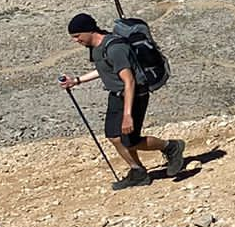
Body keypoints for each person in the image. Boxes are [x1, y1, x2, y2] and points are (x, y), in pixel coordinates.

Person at [63, 12, 185, 189]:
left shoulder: (115, 48)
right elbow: (106, 69)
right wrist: (77, 80)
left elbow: (129, 81)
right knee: (114, 137)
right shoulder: (96, 48)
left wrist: (128, 115)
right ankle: (138, 171)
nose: (75, 40)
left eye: (77, 36)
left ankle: (171, 147)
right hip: (116, 94)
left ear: (89, 31)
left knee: (131, 140)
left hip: (134, 94)